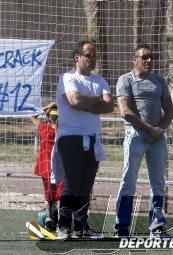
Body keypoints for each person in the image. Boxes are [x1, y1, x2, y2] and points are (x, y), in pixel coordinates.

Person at [54, 40, 114, 239]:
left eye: (94, 55)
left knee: (86, 183)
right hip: (70, 137)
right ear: (77, 57)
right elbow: (74, 100)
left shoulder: (100, 81)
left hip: (92, 139)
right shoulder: (67, 77)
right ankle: (63, 225)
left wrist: (87, 102)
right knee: (71, 181)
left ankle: (81, 226)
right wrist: (95, 99)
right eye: (88, 55)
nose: (92, 59)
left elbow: (109, 107)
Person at [114, 44, 173, 238]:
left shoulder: (159, 81)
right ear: (135, 59)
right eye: (145, 57)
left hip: (157, 139)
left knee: (158, 183)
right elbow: (125, 112)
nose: (149, 61)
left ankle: (156, 226)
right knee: (128, 182)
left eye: (152, 57)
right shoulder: (126, 80)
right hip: (136, 137)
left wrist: (159, 130)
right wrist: (150, 129)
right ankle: (122, 227)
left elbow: (169, 110)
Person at [30, 102, 63, 231]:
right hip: (59, 167)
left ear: (48, 116)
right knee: (60, 194)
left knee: (49, 194)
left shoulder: (44, 128)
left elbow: (33, 116)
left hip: (46, 166)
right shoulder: (62, 130)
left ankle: (49, 217)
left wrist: (46, 108)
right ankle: (60, 220)